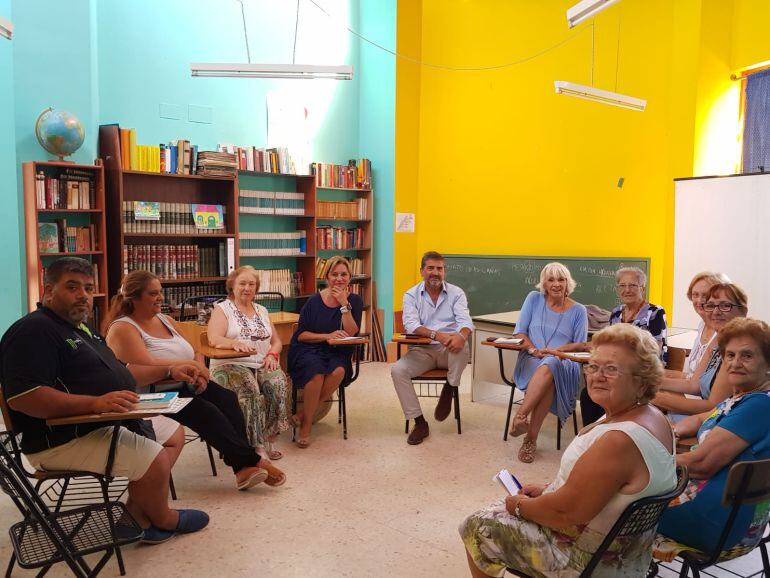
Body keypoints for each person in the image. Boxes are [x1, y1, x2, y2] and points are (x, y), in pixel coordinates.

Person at [0, 258, 209, 545]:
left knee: (174, 434)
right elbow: (26, 398)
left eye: (87, 288)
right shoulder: (33, 331)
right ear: (49, 290)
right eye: (72, 287)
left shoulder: (78, 328)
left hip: (106, 418)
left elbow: (119, 370)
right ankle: (164, 520)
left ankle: (134, 515)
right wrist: (95, 404)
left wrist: (168, 370)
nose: (83, 295)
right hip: (63, 436)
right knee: (155, 457)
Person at [460, 324, 677, 577]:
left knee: (476, 525)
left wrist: (518, 506)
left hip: (585, 559)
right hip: (624, 550)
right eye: (593, 366)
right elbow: (608, 489)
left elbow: (565, 513)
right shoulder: (654, 417)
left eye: (611, 369)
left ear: (642, 382)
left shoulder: (619, 439)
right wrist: (549, 489)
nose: (597, 376)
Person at [103, 269, 287, 489]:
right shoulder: (124, 328)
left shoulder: (165, 319)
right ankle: (252, 461)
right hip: (153, 392)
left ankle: (243, 469)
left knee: (228, 399)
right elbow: (137, 370)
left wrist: (198, 368)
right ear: (134, 298)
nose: (160, 298)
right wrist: (176, 368)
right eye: (153, 294)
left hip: (185, 382)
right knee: (207, 412)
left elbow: (194, 349)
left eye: (160, 292)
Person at [656, 317, 770, 557]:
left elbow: (701, 464)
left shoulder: (758, 406)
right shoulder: (745, 398)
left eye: (747, 356)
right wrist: (673, 433)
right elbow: (702, 418)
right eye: (730, 355)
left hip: (712, 523)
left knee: (613, 495)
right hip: (739, 522)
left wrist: (643, 460)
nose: (735, 363)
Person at [565, 267, 668, 426]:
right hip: (613, 370)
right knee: (588, 394)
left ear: (642, 288)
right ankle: (594, 436)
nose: (627, 290)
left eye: (633, 285)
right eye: (622, 286)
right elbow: (607, 344)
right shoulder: (616, 313)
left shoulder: (655, 312)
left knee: (610, 392)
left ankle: (611, 432)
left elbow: (656, 349)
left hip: (639, 372)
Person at [390, 251, 474, 446]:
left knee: (463, 344)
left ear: (444, 271)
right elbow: (411, 324)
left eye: (439, 268)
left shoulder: (456, 293)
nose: (435, 273)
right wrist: (437, 335)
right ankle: (419, 423)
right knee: (398, 370)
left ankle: (449, 388)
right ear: (422, 271)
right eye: (431, 268)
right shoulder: (411, 295)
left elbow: (465, 321)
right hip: (422, 351)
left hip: (450, 352)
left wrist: (461, 335)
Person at [207, 265, 290, 460]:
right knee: (250, 388)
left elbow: (276, 341)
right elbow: (214, 338)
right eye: (242, 283)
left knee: (277, 382)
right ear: (232, 286)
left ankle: (269, 436)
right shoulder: (222, 309)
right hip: (229, 365)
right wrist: (234, 344)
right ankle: (257, 445)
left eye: (251, 284)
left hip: (260, 362)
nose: (247, 288)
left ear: (256, 288)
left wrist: (272, 355)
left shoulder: (262, 310)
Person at [509, 262, 588, 463]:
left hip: (564, 362)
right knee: (549, 374)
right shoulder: (533, 299)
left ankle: (521, 417)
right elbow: (520, 331)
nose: (556, 284)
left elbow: (580, 345)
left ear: (567, 283)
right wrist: (533, 350)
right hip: (531, 358)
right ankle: (530, 439)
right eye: (551, 279)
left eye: (561, 279)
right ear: (544, 282)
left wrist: (554, 352)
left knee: (552, 364)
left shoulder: (579, 310)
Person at [287, 255, 363, 448]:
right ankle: (306, 426)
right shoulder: (313, 301)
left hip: (338, 351)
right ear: (327, 277)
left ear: (350, 277)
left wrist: (344, 305)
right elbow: (301, 335)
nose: (339, 278)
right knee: (316, 372)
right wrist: (326, 336)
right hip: (309, 348)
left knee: (338, 371)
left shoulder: (354, 300)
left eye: (343, 274)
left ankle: (305, 414)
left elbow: (352, 332)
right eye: (334, 274)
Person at [653, 283, 748, 416]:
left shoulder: (740, 348)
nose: (715, 312)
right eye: (710, 306)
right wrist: (646, 382)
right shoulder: (719, 338)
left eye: (725, 306)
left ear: (743, 311)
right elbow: (694, 385)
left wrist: (650, 396)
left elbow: (712, 407)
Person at [671, 271, 730, 377]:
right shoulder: (702, 324)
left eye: (706, 295)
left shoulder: (726, 330)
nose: (699, 300)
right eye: (695, 295)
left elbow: (701, 383)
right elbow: (691, 376)